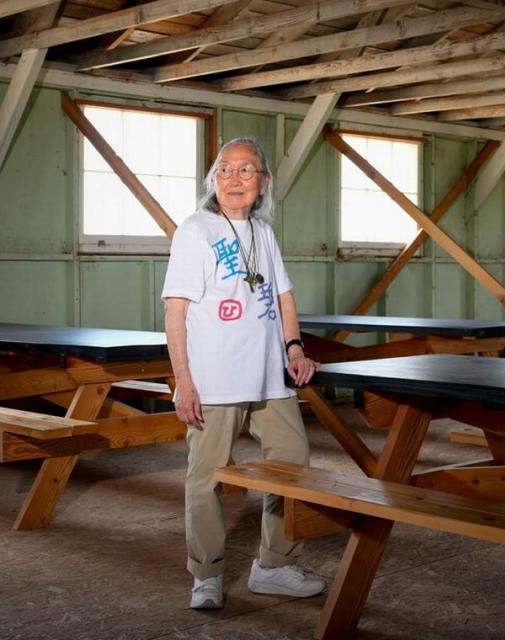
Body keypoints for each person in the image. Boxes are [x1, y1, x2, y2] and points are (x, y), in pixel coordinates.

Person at [161, 137, 325, 610]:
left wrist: (294, 346)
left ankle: (274, 566)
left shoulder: (263, 233)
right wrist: (183, 382)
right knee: (206, 477)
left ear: (263, 183)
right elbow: (176, 313)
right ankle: (206, 575)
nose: (234, 179)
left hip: (270, 377)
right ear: (213, 180)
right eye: (225, 169)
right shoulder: (195, 230)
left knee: (292, 464)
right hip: (213, 379)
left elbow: (283, 297)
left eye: (246, 170)